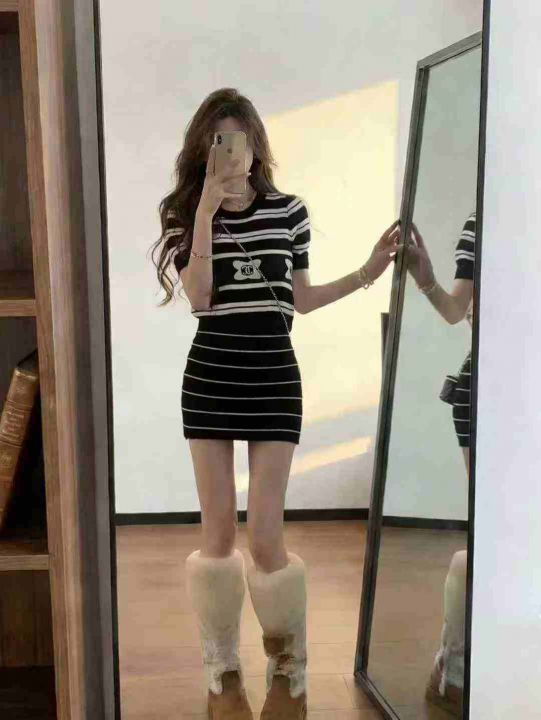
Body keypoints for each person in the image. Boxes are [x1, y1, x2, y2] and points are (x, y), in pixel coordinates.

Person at [150, 87, 402, 719]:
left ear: (256, 146)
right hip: (211, 378)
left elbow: (301, 300)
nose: (230, 152)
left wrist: (368, 271)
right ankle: (221, 665)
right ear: (203, 150)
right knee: (216, 535)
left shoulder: (290, 212)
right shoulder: (186, 214)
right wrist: (205, 215)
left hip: (273, 379)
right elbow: (200, 298)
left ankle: (289, 663)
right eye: (217, 141)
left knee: (265, 536)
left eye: (238, 139)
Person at [406, 212, 476, 717]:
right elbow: (457, 310)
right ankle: (453, 670)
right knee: (495, 534)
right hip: (494, 389)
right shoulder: (487, 216)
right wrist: (426, 277)